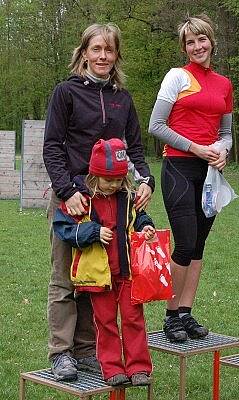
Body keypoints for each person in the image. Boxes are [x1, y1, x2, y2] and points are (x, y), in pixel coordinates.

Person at [43, 23, 155, 381]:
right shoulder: (66, 92)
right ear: (84, 53)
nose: (102, 56)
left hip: (115, 199)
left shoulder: (123, 97)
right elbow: (52, 147)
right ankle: (62, 353)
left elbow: (135, 148)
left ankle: (88, 351)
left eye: (109, 50)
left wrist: (146, 181)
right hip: (73, 199)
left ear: (116, 54)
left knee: (103, 278)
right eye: (96, 49)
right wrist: (67, 191)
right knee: (66, 278)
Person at [148, 14, 233, 343]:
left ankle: (186, 311)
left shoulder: (224, 84)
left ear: (211, 41)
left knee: (198, 245)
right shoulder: (177, 77)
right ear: (184, 47)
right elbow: (156, 126)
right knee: (184, 242)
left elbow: (226, 133)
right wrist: (196, 148)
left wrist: (222, 151)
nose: (197, 46)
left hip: (211, 172)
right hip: (179, 168)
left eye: (202, 39)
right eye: (190, 42)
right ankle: (171, 316)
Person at [53, 138, 154, 386]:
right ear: (94, 175)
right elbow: (63, 228)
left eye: (119, 180)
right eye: (108, 180)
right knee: (105, 322)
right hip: (99, 276)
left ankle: (139, 368)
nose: (113, 185)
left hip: (128, 273)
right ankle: (111, 369)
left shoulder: (128, 196)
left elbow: (138, 217)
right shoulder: (81, 200)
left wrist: (146, 226)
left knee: (134, 319)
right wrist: (93, 232)